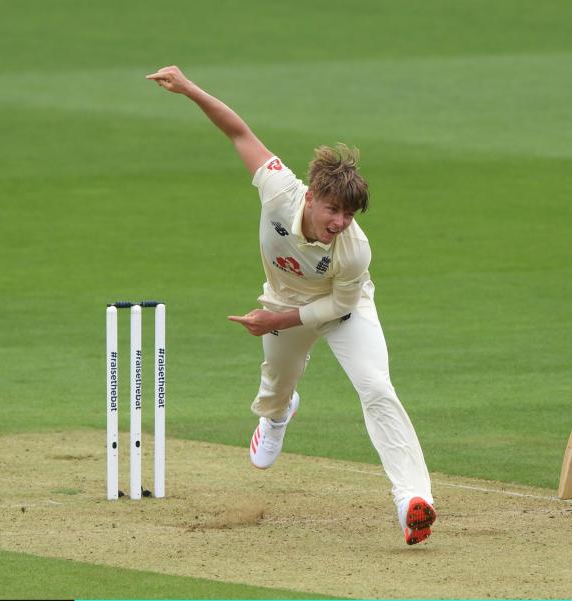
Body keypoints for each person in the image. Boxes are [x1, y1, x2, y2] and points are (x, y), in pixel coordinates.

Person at [146, 65, 436, 545]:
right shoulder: (279, 189)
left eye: (348, 214)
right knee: (278, 386)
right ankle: (278, 415)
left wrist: (273, 320)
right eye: (333, 210)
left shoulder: (355, 251)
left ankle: (412, 501)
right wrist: (189, 88)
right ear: (314, 195)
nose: (340, 221)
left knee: (376, 388)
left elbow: (336, 310)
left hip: (343, 309)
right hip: (283, 297)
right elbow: (238, 131)